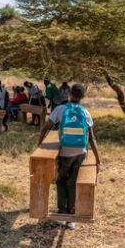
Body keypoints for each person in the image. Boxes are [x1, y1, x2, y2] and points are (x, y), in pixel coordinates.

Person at [38, 83, 100, 230]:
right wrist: (98, 159)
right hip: (81, 152)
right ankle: (71, 218)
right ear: (82, 97)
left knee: (61, 181)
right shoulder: (85, 112)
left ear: (70, 94)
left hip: (65, 152)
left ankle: (61, 213)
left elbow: (45, 128)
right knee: (73, 182)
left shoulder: (60, 109)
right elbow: (92, 138)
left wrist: (39, 146)